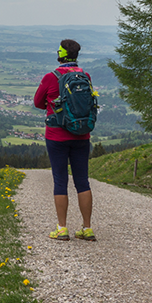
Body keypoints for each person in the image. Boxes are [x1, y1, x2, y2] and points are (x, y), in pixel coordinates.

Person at [33, 39, 95, 241]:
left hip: (57, 135)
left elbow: (37, 102)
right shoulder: (85, 76)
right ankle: (87, 228)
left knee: (60, 181)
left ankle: (62, 228)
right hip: (81, 134)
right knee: (82, 181)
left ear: (60, 55)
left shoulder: (50, 77)